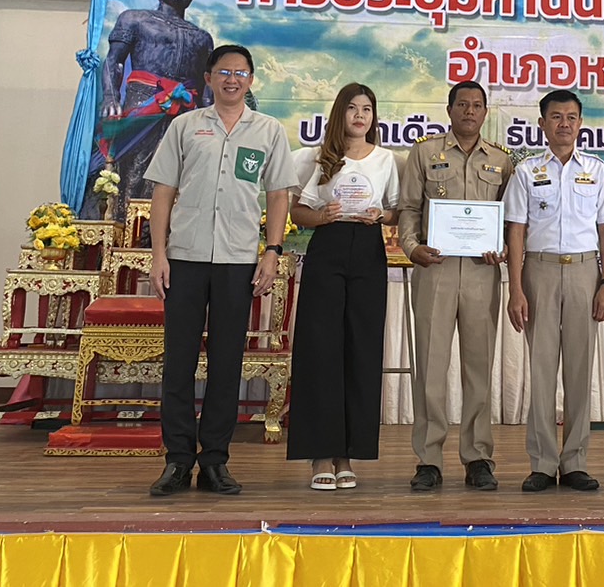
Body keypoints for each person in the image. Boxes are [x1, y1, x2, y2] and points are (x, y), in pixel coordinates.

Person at [145, 44, 297, 497]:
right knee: (179, 362)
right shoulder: (185, 126)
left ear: (251, 80)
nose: (232, 79)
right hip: (185, 258)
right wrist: (158, 254)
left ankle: (214, 460)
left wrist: (272, 252)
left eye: (241, 72)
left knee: (227, 364)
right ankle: (177, 461)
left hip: (238, 261)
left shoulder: (268, 131)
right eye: (224, 72)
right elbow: (163, 192)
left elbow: (278, 196)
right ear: (209, 78)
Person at [503, 89, 604, 493]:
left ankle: (574, 462)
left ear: (580, 123)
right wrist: (515, 288)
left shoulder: (597, 170)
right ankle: (541, 462)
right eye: (556, 117)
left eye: (571, 117)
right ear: (542, 123)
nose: (564, 124)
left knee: (579, 368)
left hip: (585, 271)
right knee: (540, 370)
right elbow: (516, 230)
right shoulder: (526, 171)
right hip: (538, 270)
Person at [397, 81, 513, 492]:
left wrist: (502, 246)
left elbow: (511, 219)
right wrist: (412, 247)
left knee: (478, 368)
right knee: (431, 367)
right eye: (462, 104)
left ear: (485, 112)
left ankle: (478, 457)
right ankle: (429, 459)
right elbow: (409, 208)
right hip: (436, 270)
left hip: (482, 274)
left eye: (477, 105)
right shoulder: (425, 153)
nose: (469, 111)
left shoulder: (502, 159)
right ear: (449, 110)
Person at [287, 83, 400, 491]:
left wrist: (381, 216)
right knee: (321, 349)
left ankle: (347, 454)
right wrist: (321, 216)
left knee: (361, 349)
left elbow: (397, 211)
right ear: (340, 113)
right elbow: (297, 211)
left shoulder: (386, 159)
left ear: (374, 116)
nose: (360, 116)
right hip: (328, 248)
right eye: (352, 108)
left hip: (368, 250)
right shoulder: (319, 157)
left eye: (367, 109)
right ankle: (321, 453)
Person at [96, 0, 214, 209]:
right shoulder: (135, 19)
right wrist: (111, 96)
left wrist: (211, 121)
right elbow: (114, 61)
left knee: (180, 175)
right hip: (143, 107)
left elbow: (206, 87)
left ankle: (169, 229)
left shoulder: (202, 37)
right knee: (133, 171)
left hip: (185, 114)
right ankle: (126, 225)